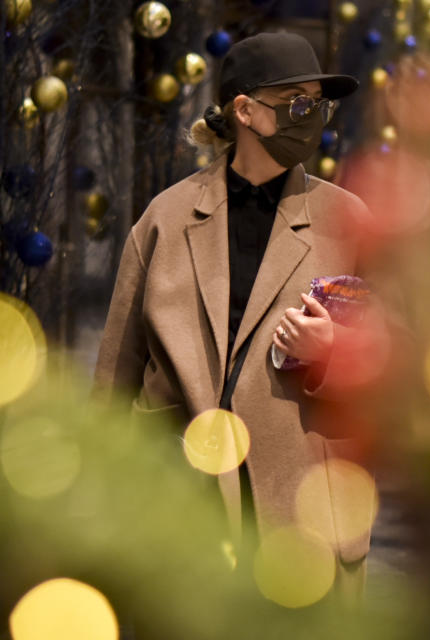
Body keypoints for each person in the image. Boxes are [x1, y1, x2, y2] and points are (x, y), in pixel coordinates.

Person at [93, 32, 377, 596]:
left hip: (303, 509)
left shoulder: (349, 221)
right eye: (297, 102)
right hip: (181, 502)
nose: (312, 116)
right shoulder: (166, 218)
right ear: (245, 110)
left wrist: (332, 353)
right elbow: (115, 373)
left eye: (318, 104)